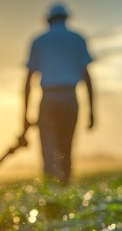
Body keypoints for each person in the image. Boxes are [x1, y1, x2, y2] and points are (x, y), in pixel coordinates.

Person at [22, 3, 95, 185]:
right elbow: (87, 78)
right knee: (66, 147)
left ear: (48, 20)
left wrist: (24, 115)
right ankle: (65, 188)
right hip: (70, 97)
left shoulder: (39, 41)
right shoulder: (78, 39)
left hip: (49, 97)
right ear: (66, 19)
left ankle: (51, 194)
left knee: (49, 148)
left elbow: (28, 81)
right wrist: (92, 111)